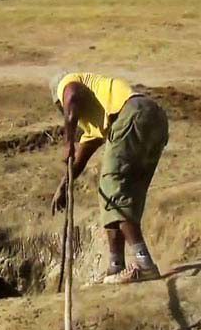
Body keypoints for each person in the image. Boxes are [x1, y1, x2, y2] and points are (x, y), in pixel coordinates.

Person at [49, 72, 168, 284]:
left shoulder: (69, 83)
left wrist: (68, 141)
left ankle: (145, 264)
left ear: (60, 103)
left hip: (133, 114)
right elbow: (80, 160)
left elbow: (72, 94)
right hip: (154, 119)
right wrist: (64, 187)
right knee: (119, 193)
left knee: (112, 190)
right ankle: (116, 268)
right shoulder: (94, 123)